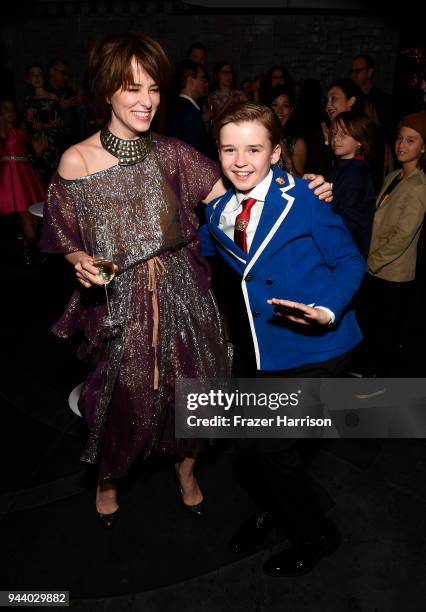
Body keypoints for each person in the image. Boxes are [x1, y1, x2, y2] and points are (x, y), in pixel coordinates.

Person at [38, 31, 334, 528]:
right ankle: (109, 476)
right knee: (125, 393)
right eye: (133, 88)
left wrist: (297, 187)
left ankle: (186, 468)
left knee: (199, 388)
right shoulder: (76, 160)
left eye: (154, 88)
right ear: (107, 91)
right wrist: (77, 258)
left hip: (185, 290)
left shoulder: (173, 153)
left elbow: (240, 187)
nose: (147, 101)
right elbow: (63, 233)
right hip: (122, 299)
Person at [199, 102, 365, 577]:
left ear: (276, 152)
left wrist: (326, 310)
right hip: (262, 347)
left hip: (318, 346)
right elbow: (205, 252)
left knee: (271, 447)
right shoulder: (217, 211)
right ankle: (277, 507)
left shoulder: (307, 197)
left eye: (254, 148)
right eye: (230, 149)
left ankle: (315, 534)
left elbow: (350, 262)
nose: (241, 160)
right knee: (252, 447)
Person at [359, 110, 426, 376]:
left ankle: (378, 383)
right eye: (400, 138)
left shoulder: (420, 186)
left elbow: (402, 236)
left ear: (423, 148)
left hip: (393, 274)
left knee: (385, 335)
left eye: (411, 140)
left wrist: (371, 261)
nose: (402, 144)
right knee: (373, 329)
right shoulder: (394, 176)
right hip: (378, 270)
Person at [0, 98, 45, 262]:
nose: (10, 112)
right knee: (25, 212)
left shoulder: (21, 130)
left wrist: (39, 140)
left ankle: (30, 249)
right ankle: (32, 249)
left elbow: (37, 150)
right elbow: (4, 134)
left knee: (33, 212)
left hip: (25, 171)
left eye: (12, 109)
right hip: (11, 173)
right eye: (5, 109)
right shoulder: (2, 130)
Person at [329, 110, 376, 259]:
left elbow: (346, 218)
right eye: (334, 133)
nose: (336, 138)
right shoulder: (342, 166)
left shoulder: (356, 173)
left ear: (359, 141)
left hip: (346, 250)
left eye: (343, 134)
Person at [165, 59, 215, 158]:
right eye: (202, 78)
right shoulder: (188, 112)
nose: (204, 83)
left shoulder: (179, 106)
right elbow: (194, 153)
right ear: (191, 81)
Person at [23, 64, 63, 185]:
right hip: (34, 146)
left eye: (39, 74)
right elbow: (25, 124)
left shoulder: (52, 98)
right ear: (28, 79)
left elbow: (59, 124)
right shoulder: (28, 99)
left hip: (49, 145)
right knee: (35, 181)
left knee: (50, 180)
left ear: (44, 78)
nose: (36, 78)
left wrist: (44, 127)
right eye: (33, 75)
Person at [265, 85, 307, 176]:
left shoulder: (296, 143)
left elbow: (300, 183)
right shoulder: (256, 137)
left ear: (291, 110)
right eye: (275, 105)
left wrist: (288, 160)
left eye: (285, 105)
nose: (279, 110)